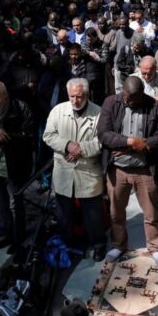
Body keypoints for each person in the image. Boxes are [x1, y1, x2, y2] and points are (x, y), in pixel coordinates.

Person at [98, 77, 158, 265]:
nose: (127, 101)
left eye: (132, 99)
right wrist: (130, 142)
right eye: (126, 97)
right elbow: (104, 134)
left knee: (151, 212)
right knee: (116, 212)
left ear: (142, 95)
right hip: (117, 169)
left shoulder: (156, 107)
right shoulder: (111, 102)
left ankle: (155, 247)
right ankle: (118, 245)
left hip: (144, 169)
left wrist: (140, 144)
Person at [43, 78, 106, 260]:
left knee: (93, 213)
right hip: (64, 169)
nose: (75, 100)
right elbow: (48, 136)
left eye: (79, 97)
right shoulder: (58, 111)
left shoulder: (99, 113)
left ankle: (98, 244)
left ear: (86, 94)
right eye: (72, 96)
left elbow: (102, 140)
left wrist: (81, 149)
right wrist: (67, 145)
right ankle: (68, 244)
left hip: (87, 170)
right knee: (64, 213)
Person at [0, 81, 35, 254]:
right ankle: (9, 235)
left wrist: (4, 135)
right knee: (2, 204)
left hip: (15, 164)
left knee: (15, 205)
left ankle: (19, 238)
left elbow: (28, 135)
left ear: (5, 95)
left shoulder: (20, 108)